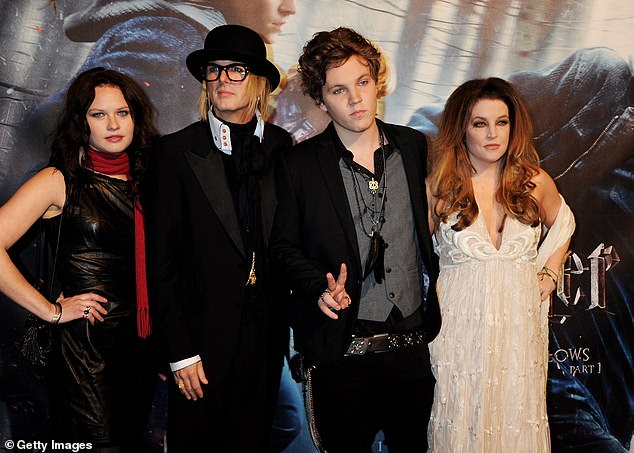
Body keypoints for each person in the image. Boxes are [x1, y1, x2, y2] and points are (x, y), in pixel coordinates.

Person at [270, 27, 441, 453]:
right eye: (339, 90)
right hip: (342, 353)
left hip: (413, 349)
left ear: (377, 80)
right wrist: (316, 289)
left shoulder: (414, 145)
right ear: (321, 98)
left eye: (362, 82)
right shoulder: (299, 165)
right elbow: (283, 248)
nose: (355, 99)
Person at [144, 24, 293, 452]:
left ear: (260, 81)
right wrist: (181, 352)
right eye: (214, 70)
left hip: (264, 347)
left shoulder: (285, 150)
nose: (222, 79)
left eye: (236, 70)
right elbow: (162, 264)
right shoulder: (174, 153)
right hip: (199, 349)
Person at [0, 67, 157, 450]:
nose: (113, 124)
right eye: (98, 114)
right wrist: (51, 311)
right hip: (85, 352)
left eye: (122, 112)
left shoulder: (151, 181)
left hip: (141, 348)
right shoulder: (59, 179)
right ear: (80, 122)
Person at [425, 77, 576, 452]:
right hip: (458, 330)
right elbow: (409, 255)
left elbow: (565, 222)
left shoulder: (534, 182)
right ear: (461, 128)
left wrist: (550, 271)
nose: (493, 133)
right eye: (480, 123)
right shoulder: (438, 188)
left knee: (516, 419)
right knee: (460, 421)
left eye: (502, 122)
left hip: (518, 329)